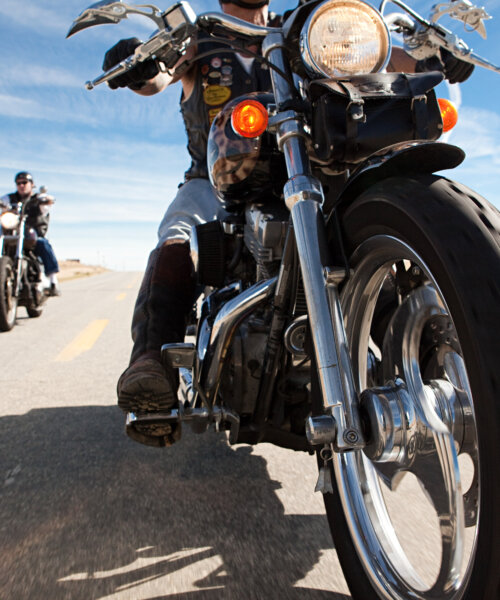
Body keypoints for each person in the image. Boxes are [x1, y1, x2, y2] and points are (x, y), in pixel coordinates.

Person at [103, 0, 474, 447]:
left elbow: (382, 53)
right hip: (213, 178)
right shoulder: (199, 39)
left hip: (301, 168)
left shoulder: (307, 29)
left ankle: (452, 363)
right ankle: (150, 361)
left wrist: (434, 61)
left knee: (362, 231)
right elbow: (158, 76)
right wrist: (136, 61)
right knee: (180, 230)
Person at [1, 171, 61, 296]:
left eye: (24, 182)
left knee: (43, 244)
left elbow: (47, 204)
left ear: (31, 184)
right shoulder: (9, 198)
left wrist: (46, 200)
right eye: (18, 183)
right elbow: (2, 203)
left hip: (32, 235)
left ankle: (53, 281)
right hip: (13, 234)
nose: (21, 185)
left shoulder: (37, 199)